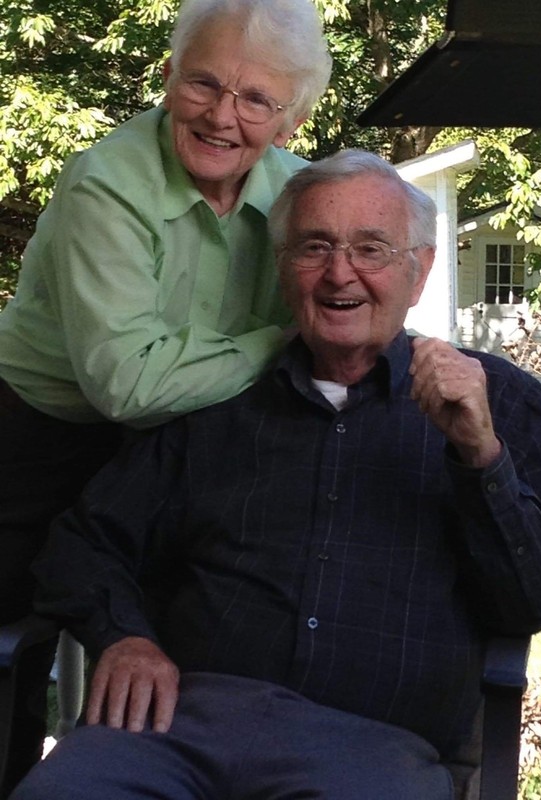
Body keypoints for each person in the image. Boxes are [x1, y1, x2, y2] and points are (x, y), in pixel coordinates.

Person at [10, 150, 541, 800]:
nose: (340, 273)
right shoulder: (217, 397)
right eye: (315, 246)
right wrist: (124, 637)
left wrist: (481, 456)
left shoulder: (498, 401)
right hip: (175, 730)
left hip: (373, 749)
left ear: (419, 270)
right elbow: (85, 541)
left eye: (371, 249)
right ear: (283, 266)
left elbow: (537, 599)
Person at [0, 0, 331, 791]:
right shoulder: (106, 185)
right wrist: (277, 340)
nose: (224, 116)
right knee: (11, 660)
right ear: (167, 77)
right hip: (36, 439)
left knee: (182, 652)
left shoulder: (299, 195)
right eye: (204, 83)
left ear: (292, 120)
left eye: (257, 100)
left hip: (191, 442)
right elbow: (129, 384)